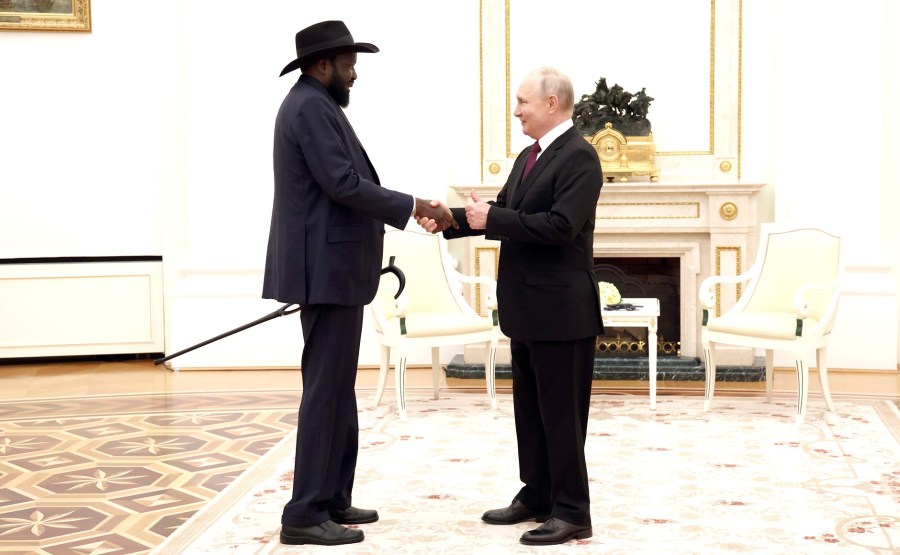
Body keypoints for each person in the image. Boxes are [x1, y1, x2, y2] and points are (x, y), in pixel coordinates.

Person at [263, 20, 456, 547]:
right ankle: (304, 514)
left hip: (335, 270)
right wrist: (413, 205)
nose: (354, 74)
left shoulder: (316, 103)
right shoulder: (308, 106)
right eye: (348, 65)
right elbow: (343, 184)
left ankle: (331, 498)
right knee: (325, 392)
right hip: (324, 271)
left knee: (336, 389)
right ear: (323, 65)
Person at [432, 66, 604, 546]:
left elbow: (560, 226)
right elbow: (504, 213)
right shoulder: (530, 156)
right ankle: (538, 494)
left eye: (522, 102)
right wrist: (448, 219)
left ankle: (572, 511)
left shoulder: (580, 157)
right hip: (528, 308)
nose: (516, 111)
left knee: (562, 417)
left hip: (562, 312)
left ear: (552, 103)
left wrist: (493, 216)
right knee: (530, 413)